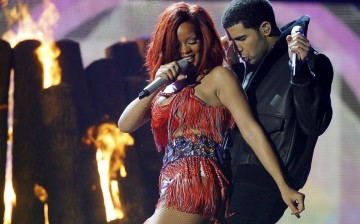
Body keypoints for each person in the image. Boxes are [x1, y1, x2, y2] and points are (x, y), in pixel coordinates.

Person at [118, 2, 304, 223]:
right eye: (177, 45)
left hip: (198, 179)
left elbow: (250, 129)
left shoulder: (218, 77)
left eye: (191, 41)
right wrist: (158, 83)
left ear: (203, 40)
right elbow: (125, 124)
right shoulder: (166, 88)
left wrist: (284, 186)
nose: (185, 50)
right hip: (169, 184)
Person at [221, 0, 333, 223]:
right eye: (233, 41)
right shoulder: (247, 70)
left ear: (265, 29)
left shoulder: (310, 61)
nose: (238, 47)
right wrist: (231, 68)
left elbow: (315, 124)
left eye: (242, 38)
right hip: (232, 177)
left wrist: (300, 73)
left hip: (267, 182)